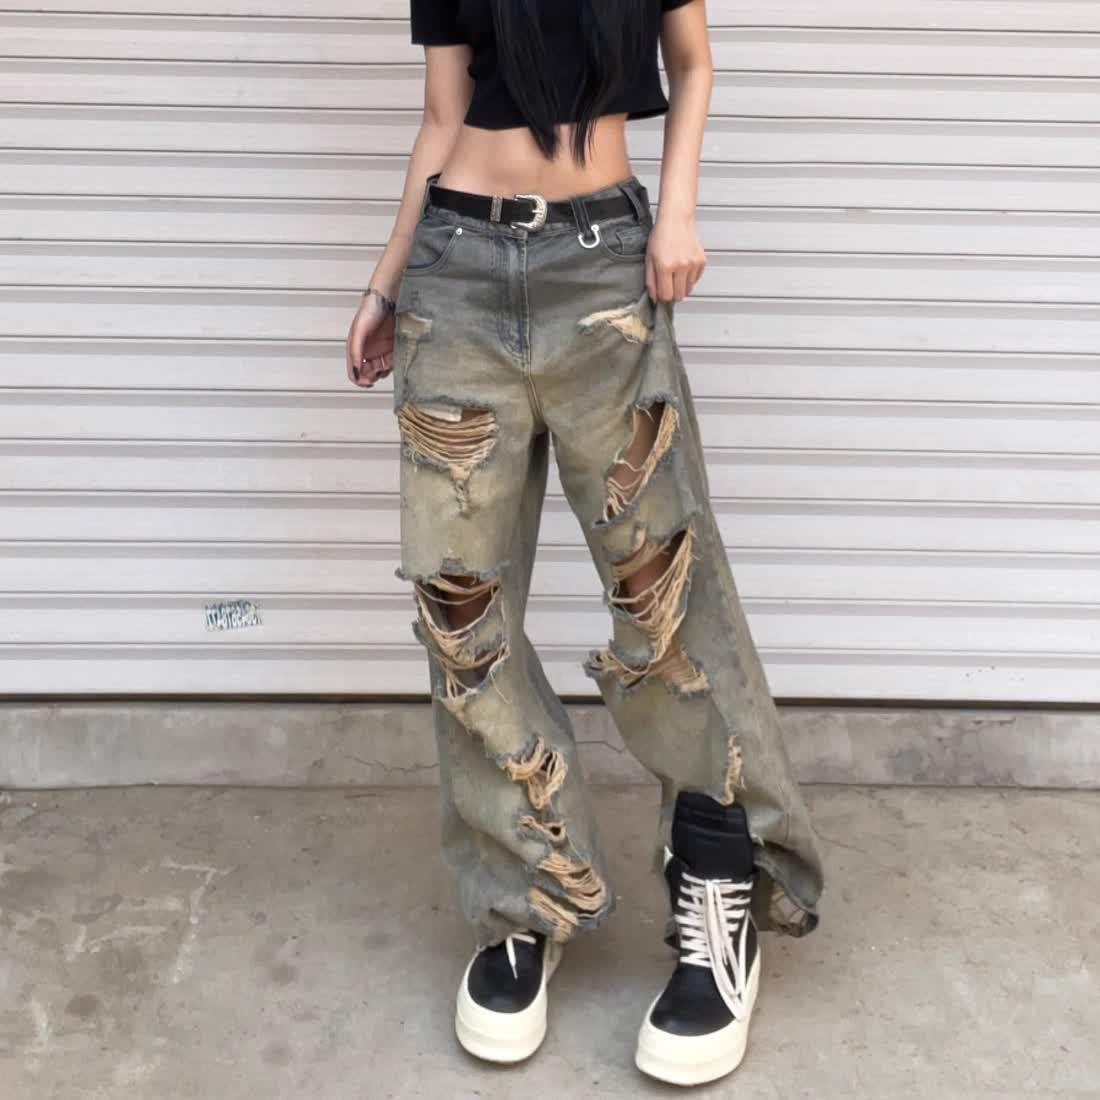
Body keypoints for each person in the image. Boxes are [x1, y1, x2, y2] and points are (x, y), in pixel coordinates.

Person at [344, 0, 824, 1086]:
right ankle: (527, 894)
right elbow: (441, 115)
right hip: (455, 274)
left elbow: (694, 62)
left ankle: (718, 885)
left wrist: (678, 212)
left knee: (667, 596)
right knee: (460, 609)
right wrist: (385, 280)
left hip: (604, 268)